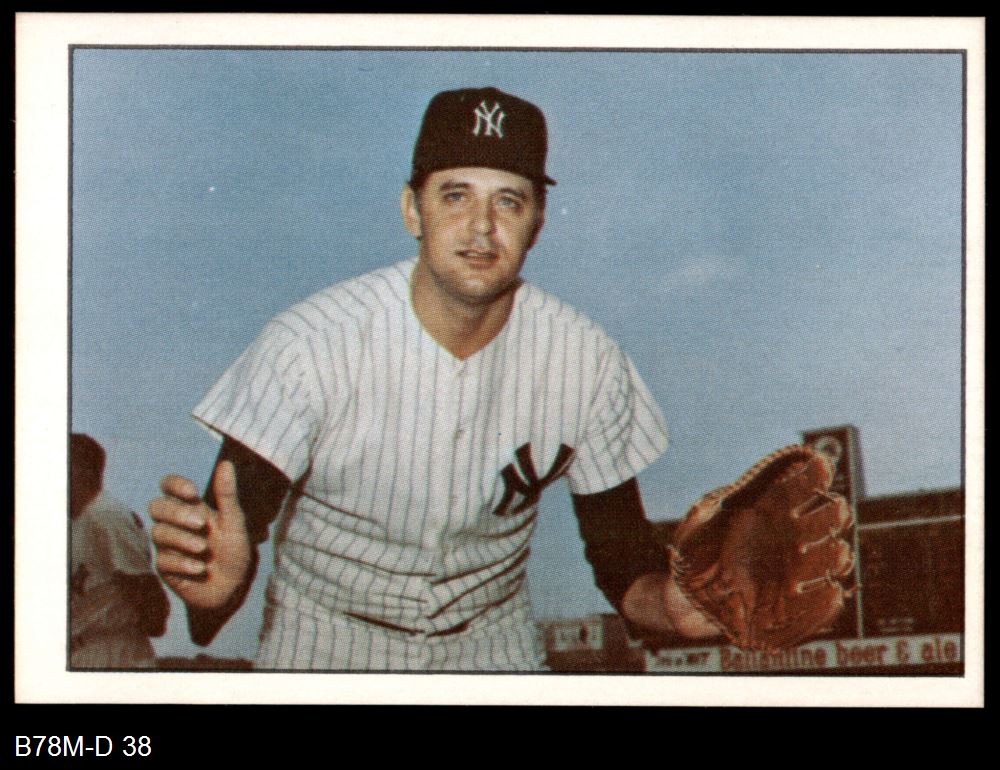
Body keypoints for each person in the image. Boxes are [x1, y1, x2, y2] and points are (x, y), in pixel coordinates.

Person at [150, 87, 718, 671]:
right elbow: (230, 537)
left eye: (508, 202)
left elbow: (621, 559)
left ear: (538, 224)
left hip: (493, 645)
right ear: (412, 211)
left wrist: (673, 607)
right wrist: (215, 595)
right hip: (321, 640)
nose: (482, 227)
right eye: (455, 196)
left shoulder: (589, 361)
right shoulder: (310, 343)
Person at [70, 433, 170, 668]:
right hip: (83, 649)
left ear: (80, 471)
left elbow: (147, 590)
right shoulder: (76, 520)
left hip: (114, 650)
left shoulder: (107, 515)